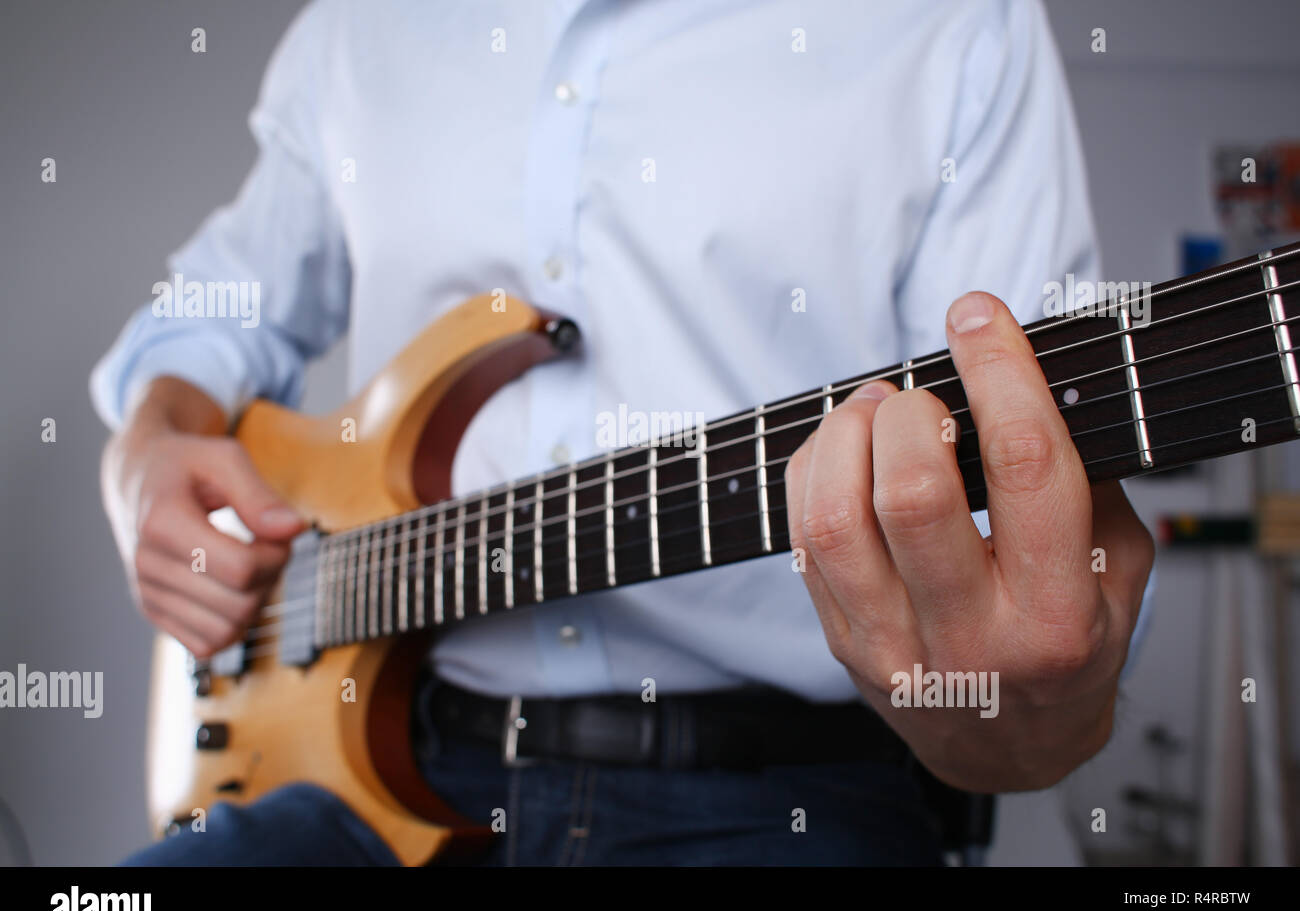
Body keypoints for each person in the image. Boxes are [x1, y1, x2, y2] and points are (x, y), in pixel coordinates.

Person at [92, 0, 1154, 866]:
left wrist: (1019, 696)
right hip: (372, 775)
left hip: (781, 792)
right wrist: (147, 458)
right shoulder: (358, 30)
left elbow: (1035, 559)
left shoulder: (950, 24)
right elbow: (208, 314)